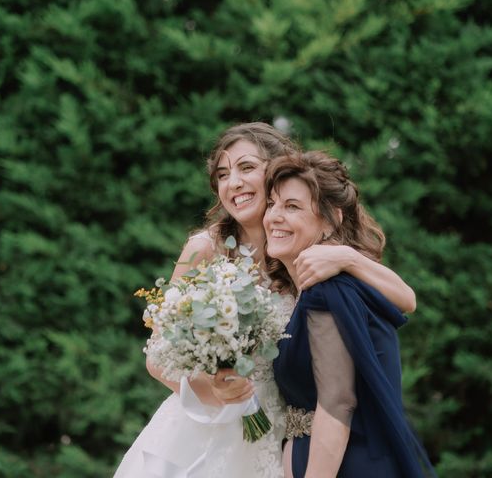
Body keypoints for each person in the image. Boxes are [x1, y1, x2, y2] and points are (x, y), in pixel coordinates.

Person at [113, 123, 417, 478]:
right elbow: (157, 355)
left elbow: (406, 299)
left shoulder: (304, 251)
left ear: (273, 172)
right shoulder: (204, 249)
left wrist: (348, 258)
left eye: (246, 168)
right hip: (208, 431)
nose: (234, 183)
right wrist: (211, 388)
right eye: (223, 174)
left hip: (279, 435)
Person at [265, 150, 435, 477]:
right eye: (272, 204)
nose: (274, 217)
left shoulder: (327, 293)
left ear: (331, 221)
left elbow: (337, 405)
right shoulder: (314, 291)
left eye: (292, 206)